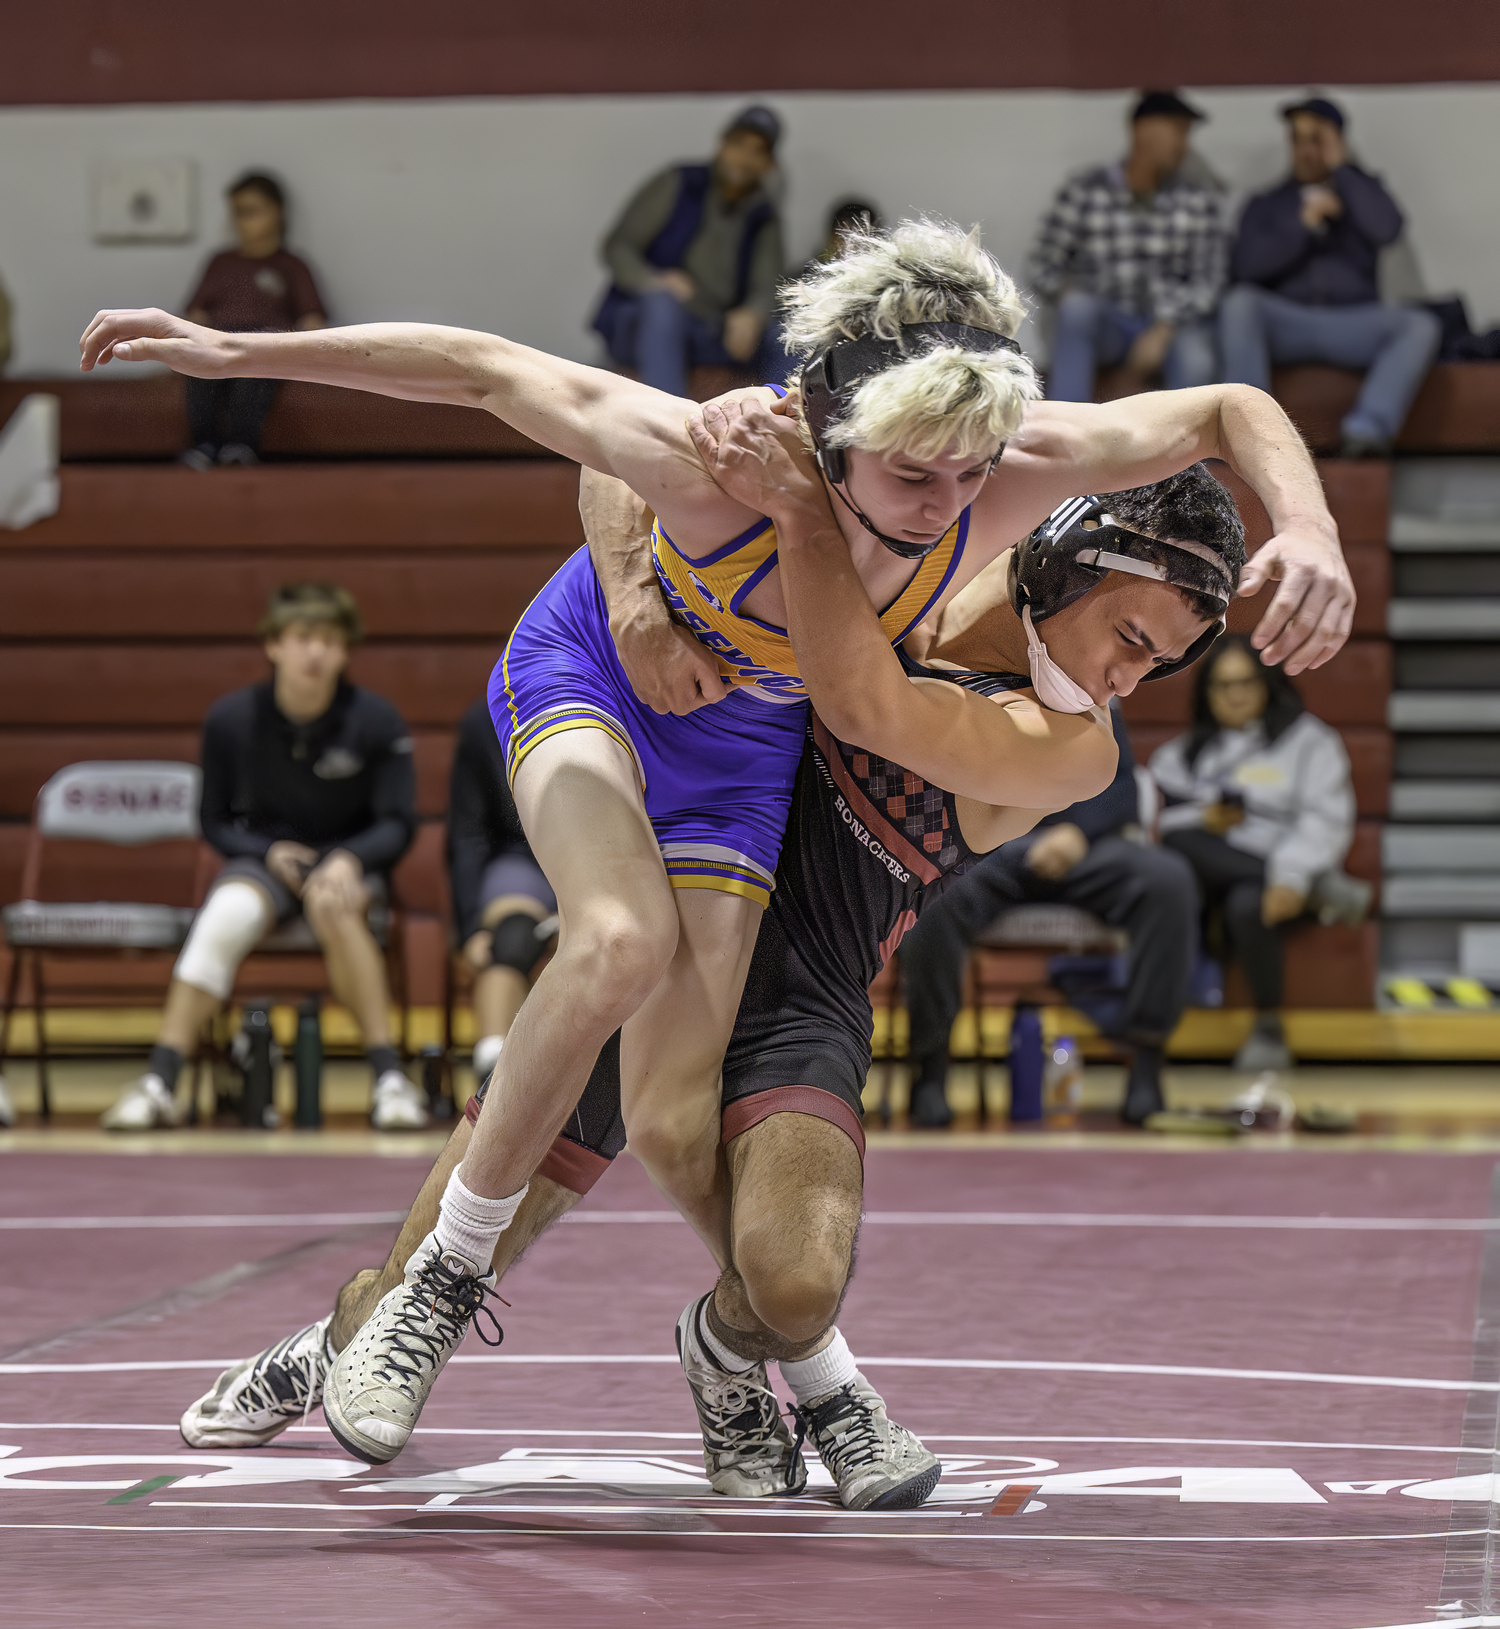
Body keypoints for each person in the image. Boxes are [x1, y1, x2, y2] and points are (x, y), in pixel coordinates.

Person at [79, 218, 1353, 1378]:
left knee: (732, 1197)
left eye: (972, 478)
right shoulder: (745, 454)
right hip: (642, 731)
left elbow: (1226, 411)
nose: (948, 505)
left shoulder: (1031, 593)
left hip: (766, 832)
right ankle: (392, 1313)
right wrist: (239, 349)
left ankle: (757, 1369)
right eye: (914, 475)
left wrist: (1309, 528)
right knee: (604, 965)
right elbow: (512, 384)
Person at [182, 460, 1244, 1513]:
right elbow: (614, 449)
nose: (1128, 682)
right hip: (670, 939)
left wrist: (790, 519)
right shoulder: (915, 538)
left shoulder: (1070, 745)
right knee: (407, 1304)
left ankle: (727, 1357)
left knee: (791, 1281)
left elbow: (861, 698)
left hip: (799, 987)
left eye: (1165, 665)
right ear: (1061, 565)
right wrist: (645, 585)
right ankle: (333, 1345)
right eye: (1133, 641)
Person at [100, 583, 427, 1132]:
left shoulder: (376, 721)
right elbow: (213, 821)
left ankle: (388, 1079)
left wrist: (348, 860)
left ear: (347, 650)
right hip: (265, 858)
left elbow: (398, 822)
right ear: (274, 645)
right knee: (226, 914)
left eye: (329, 639)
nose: (315, 653)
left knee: (334, 907)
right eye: (303, 638)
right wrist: (267, 852)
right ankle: (161, 1080)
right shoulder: (230, 720)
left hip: (344, 862)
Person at [899, 698, 1199, 1129]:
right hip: (992, 847)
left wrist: (1079, 832)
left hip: (1087, 847)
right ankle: (931, 1068)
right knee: (933, 894)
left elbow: (1122, 785)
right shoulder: (976, 681)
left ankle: (1147, 1062)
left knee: (1167, 880)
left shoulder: (1096, 689)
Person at [1150, 634, 1356, 1073]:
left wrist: (1290, 876)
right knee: (1181, 843)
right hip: (1207, 868)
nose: (1236, 695)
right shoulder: (1184, 755)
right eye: (1223, 686)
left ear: (1268, 684)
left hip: (1289, 865)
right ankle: (1326, 893)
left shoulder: (1310, 742)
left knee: (1248, 904)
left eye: (1246, 683)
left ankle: (1268, 1030)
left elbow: (1324, 821)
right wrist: (1204, 819)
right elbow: (1153, 822)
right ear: (1206, 694)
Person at [1218, 96, 1441, 459]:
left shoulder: (1362, 192)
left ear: (1337, 141)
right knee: (1239, 303)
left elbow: (1388, 230)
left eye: (1316, 139)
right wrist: (1301, 227)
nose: (1306, 150)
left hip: (1350, 324)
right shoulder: (1268, 203)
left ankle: (1366, 432)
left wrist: (1343, 173)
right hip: (1288, 322)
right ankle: (1253, 433)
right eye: (1298, 139)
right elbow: (1244, 268)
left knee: (1419, 325)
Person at [1030, 89, 1225, 404]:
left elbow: (1209, 281)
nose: (1183, 145)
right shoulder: (1085, 190)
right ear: (1143, 131)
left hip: (1168, 324)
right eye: (1178, 132)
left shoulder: (1199, 201)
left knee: (1196, 356)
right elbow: (1042, 265)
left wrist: (1162, 330)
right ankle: (1067, 438)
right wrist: (1071, 296)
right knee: (1077, 311)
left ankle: (1191, 452)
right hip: (1105, 321)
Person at [592, 105, 785, 397]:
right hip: (643, 321)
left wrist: (752, 313)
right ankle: (663, 430)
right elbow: (618, 247)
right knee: (663, 305)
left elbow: (768, 282)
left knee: (782, 334)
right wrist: (654, 281)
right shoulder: (678, 183)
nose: (745, 158)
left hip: (709, 330)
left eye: (757, 151)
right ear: (722, 144)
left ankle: (787, 426)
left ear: (768, 163)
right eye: (738, 145)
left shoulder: (763, 213)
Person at [181, 172, 327, 469]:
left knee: (256, 363)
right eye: (237, 212)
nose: (242, 220)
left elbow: (312, 320)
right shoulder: (220, 262)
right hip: (218, 343)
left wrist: (300, 356)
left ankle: (240, 446)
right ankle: (205, 445)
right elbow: (194, 315)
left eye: (252, 211)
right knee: (198, 363)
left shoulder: (291, 265)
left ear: (277, 213)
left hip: (265, 348)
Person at [446, 697, 557, 1087]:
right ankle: (491, 1063)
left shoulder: (621, 701)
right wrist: (470, 928)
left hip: (606, 852)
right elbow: (468, 833)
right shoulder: (485, 719)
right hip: (520, 857)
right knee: (512, 939)